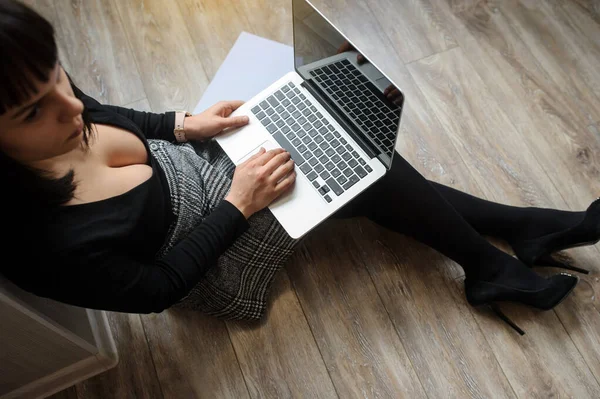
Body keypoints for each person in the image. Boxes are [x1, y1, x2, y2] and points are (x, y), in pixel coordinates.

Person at [0, 0, 595, 335]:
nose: (72, 106)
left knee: (341, 142)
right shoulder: (39, 245)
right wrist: (239, 205)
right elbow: (160, 291)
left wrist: (180, 124)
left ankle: (515, 237)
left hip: (199, 171)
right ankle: (501, 253)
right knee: (355, 157)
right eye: (35, 110)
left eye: (59, 75)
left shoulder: (52, 99)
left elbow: (107, 111)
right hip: (211, 264)